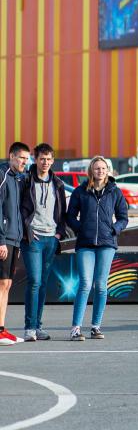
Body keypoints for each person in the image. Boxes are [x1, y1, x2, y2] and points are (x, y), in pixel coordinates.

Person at [66, 156, 129, 341]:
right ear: (91, 171)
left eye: (103, 168)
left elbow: (123, 218)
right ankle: (76, 328)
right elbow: (70, 216)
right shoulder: (80, 191)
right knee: (85, 284)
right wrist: (81, 229)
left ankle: (96, 327)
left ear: (107, 170)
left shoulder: (115, 192)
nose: (100, 171)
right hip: (85, 244)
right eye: (97, 168)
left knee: (101, 286)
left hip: (107, 244)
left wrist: (114, 230)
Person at [19, 143, 67, 342]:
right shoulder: (26, 181)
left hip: (51, 239)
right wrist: (27, 230)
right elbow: (17, 208)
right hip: (33, 239)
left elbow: (63, 212)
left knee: (43, 284)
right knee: (34, 281)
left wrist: (59, 235)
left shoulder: (58, 184)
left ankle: (38, 326)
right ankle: (29, 327)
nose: (45, 162)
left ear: (53, 161)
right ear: (35, 159)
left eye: (48, 159)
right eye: (41, 159)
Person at [0, 142, 30, 345]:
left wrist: (18, 240)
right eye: (21, 158)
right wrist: (1, 240)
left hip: (15, 239)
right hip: (4, 239)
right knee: (1, 283)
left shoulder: (19, 179)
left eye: (27, 159)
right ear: (11, 156)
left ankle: (1, 329)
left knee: (7, 284)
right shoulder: (3, 176)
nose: (24, 162)